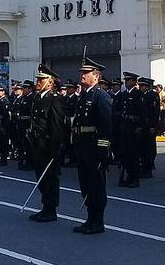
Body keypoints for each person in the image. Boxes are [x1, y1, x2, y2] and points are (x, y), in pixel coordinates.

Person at [72, 57, 113, 235]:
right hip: (83, 146)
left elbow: (106, 125)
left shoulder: (101, 96)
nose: (81, 75)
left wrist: (102, 150)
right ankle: (90, 218)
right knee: (85, 184)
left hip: (94, 147)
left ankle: (98, 221)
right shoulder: (84, 95)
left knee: (96, 186)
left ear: (96, 76)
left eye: (85, 73)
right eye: (81, 72)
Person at [29, 64, 66, 222]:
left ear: (50, 83)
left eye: (41, 80)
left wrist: (55, 148)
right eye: (38, 79)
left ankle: (51, 209)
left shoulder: (54, 99)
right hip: (37, 143)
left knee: (50, 178)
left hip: (48, 144)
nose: (38, 82)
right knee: (41, 177)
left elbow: (57, 126)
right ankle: (45, 206)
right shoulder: (38, 97)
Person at [139, 77, 160, 179]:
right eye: (140, 86)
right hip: (143, 126)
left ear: (147, 87)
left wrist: (153, 126)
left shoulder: (153, 95)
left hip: (150, 126)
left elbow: (155, 113)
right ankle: (144, 166)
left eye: (142, 86)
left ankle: (148, 167)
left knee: (149, 148)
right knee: (143, 147)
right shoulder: (142, 95)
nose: (140, 87)